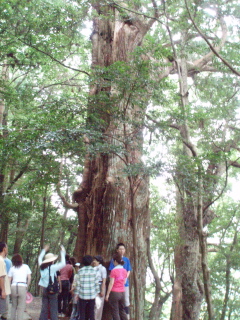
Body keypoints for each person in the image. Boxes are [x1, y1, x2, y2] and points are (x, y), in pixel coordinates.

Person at [38, 244, 66, 320]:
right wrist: (62, 252)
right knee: (53, 308)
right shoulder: (53, 267)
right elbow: (63, 263)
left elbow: (40, 258)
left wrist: (44, 250)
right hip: (52, 289)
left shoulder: (42, 267)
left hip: (44, 289)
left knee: (44, 308)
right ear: (52, 261)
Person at [109, 243, 132, 319]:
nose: (122, 251)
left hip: (125, 284)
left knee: (126, 301)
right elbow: (112, 271)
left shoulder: (126, 260)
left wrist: (125, 278)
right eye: (120, 249)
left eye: (123, 249)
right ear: (117, 250)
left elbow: (129, 270)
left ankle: (127, 317)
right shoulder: (113, 260)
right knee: (116, 305)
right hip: (116, 286)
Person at [8, 254, 32, 320]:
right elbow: (29, 277)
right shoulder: (26, 267)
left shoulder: (12, 268)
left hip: (13, 286)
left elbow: (9, 279)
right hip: (22, 286)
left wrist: (9, 288)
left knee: (13, 306)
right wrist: (27, 285)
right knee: (21, 307)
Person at [75, 255, 99, 320]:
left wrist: (76, 294)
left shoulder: (80, 271)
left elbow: (78, 284)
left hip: (82, 295)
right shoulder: (94, 271)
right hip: (92, 295)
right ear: (91, 262)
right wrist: (97, 292)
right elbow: (96, 283)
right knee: (91, 313)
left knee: (82, 313)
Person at [105, 253, 128, 320]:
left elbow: (111, 283)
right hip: (122, 292)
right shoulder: (125, 271)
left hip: (114, 292)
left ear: (115, 261)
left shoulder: (113, 271)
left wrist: (107, 294)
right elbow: (124, 282)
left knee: (115, 311)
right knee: (122, 310)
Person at [92, 256, 106, 320]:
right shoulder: (93, 269)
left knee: (99, 305)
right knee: (94, 304)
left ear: (99, 261)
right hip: (94, 287)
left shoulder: (103, 269)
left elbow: (104, 280)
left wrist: (102, 290)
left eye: (95, 260)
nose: (93, 261)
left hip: (100, 285)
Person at [0, 242, 11, 320]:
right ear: (4, 249)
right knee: (3, 312)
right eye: (6, 247)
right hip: (1, 290)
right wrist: (3, 290)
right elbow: (1, 276)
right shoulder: (1, 261)